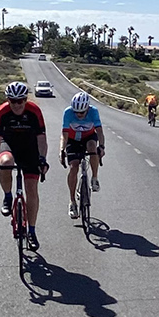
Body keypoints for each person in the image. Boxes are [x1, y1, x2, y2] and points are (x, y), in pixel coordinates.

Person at [0, 81, 49, 249]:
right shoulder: (2, 111)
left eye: (20, 100)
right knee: (5, 162)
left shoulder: (34, 111)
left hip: (29, 148)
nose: (17, 105)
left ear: (25, 99)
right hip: (9, 145)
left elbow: (42, 139)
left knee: (31, 189)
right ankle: (8, 196)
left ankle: (31, 231)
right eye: (13, 101)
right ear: (8, 100)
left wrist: (42, 158)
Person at [61, 91, 105, 220]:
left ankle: (94, 178)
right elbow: (64, 135)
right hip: (73, 139)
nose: (79, 115)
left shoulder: (93, 111)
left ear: (87, 109)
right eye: (76, 112)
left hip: (88, 137)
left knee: (93, 148)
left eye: (82, 112)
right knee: (73, 167)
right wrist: (62, 150)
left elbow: (100, 132)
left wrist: (101, 147)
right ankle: (72, 202)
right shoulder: (68, 113)